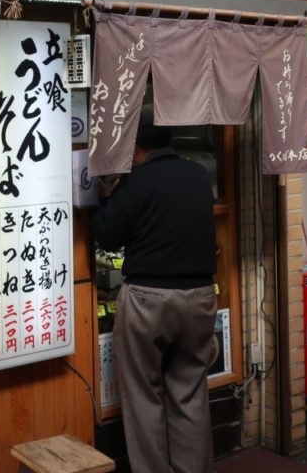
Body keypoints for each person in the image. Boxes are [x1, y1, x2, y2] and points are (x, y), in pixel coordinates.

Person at [92, 106, 218, 473]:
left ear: (135, 147)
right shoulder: (197, 176)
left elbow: (107, 235)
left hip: (149, 300)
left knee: (145, 398)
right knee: (190, 394)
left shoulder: (138, 181)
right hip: (199, 297)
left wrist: (105, 196)